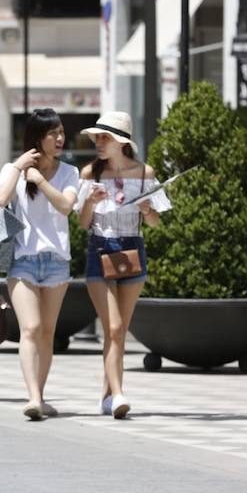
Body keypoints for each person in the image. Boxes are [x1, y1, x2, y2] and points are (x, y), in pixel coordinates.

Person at [77, 112, 171, 419]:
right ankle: (118, 394)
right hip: (100, 247)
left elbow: (157, 222)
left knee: (117, 331)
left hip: (132, 247)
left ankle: (108, 396)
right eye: (97, 138)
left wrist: (147, 209)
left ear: (121, 142)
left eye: (105, 138)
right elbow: (82, 222)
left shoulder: (144, 173)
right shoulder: (90, 173)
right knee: (114, 326)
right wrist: (91, 201)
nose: (99, 144)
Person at [0, 109, 79, 420]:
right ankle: (32, 397)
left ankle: (40, 396)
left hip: (56, 261)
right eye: (52, 133)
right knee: (30, 328)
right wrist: (19, 167)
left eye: (61, 132)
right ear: (36, 138)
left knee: (47, 332)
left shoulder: (69, 172)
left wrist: (40, 179)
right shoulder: (13, 169)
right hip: (22, 260)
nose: (59, 138)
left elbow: (66, 206)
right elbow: (0, 199)